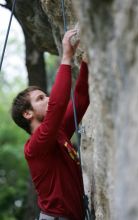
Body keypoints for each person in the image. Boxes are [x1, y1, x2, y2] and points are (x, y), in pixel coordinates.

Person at [11, 29, 89, 220]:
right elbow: (58, 105)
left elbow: (80, 99)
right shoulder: (35, 147)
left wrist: (88, 60)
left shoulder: (58, 133)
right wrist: (67, 57)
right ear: (28, 113)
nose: (48, 99)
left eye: (45, 95)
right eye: (40, 99)